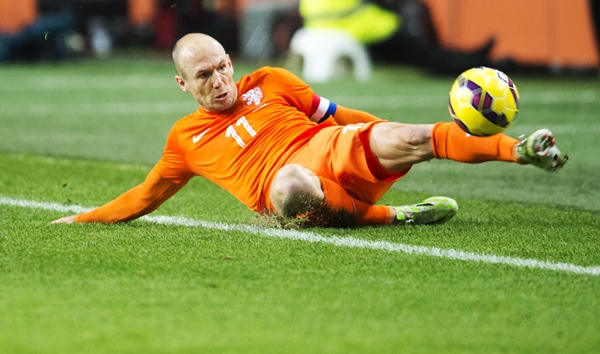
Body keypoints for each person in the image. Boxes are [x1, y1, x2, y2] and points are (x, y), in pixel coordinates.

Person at [52, 33, 568, 227]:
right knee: (289, 185)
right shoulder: (183, 142)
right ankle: (394, 217)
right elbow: (145, 196)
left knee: (412, 136)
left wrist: (385, 134)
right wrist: (84, 219)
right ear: (182, 84)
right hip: (294, 189)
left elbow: (336, 117)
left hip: (332, 149)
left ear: (231, 61)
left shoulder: (272, 80)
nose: (220, 80)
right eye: (204, 75)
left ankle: (519, 150)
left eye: (222, 66)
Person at [298, 0, 494, 75]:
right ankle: (475, 62)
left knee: (425, 53)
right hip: (370, 31)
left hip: (324, 30)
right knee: (425, 55)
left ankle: (473, 58)